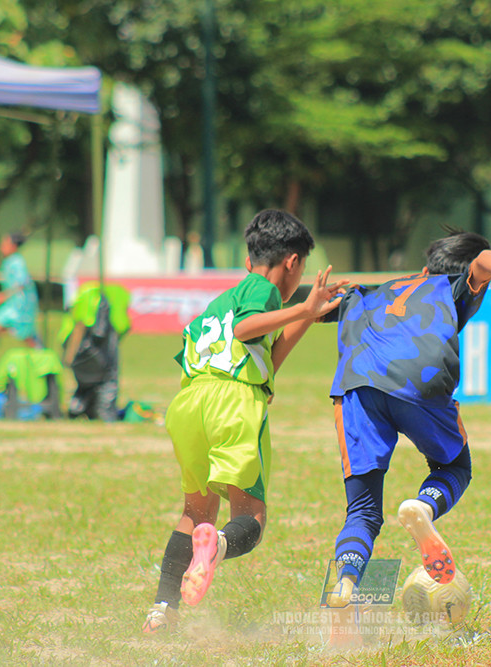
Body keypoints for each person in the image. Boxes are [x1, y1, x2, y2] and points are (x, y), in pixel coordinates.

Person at [142, 209, 347, 634]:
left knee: (195, 511)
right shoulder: (263, 290)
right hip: (231, 404)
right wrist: (300, 307)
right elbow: (246, 330)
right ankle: (215, 546)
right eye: (301, 269)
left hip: (188, 403)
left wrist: (309, 313)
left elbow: (266, 357)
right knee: (251, 517)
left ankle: (163, 611)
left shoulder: (222, 300)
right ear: (291, 262)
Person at [321, 231, 491, 609]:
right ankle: (425, 506)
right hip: (416, 380)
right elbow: (485, 259)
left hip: (357, 386)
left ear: (423, 269)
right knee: (455, 465)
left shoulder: (375, 288)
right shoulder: (453, 287)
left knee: (363, 510)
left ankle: (345, 582)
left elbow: (311, 310)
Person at [59, 281, 131, 421]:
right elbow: (124, 326)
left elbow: (80, 325)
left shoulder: (90, 297)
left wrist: (69, 355)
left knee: (92, 380)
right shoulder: (103, 297)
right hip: (94, 354)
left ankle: (85, 409)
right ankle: (102, 411)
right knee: (102, 379)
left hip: (87, 355)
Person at [0, 233, 40, 346]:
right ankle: (39, 351)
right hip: (13, 304)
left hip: (20, 306)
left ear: (14, 246)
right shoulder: (9, 261)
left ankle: (41, 353)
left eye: (5, 244)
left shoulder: (17, 262)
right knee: (25, 335)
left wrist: (3, 296)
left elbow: (22, 283)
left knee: (25, 336)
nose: (1, 247)